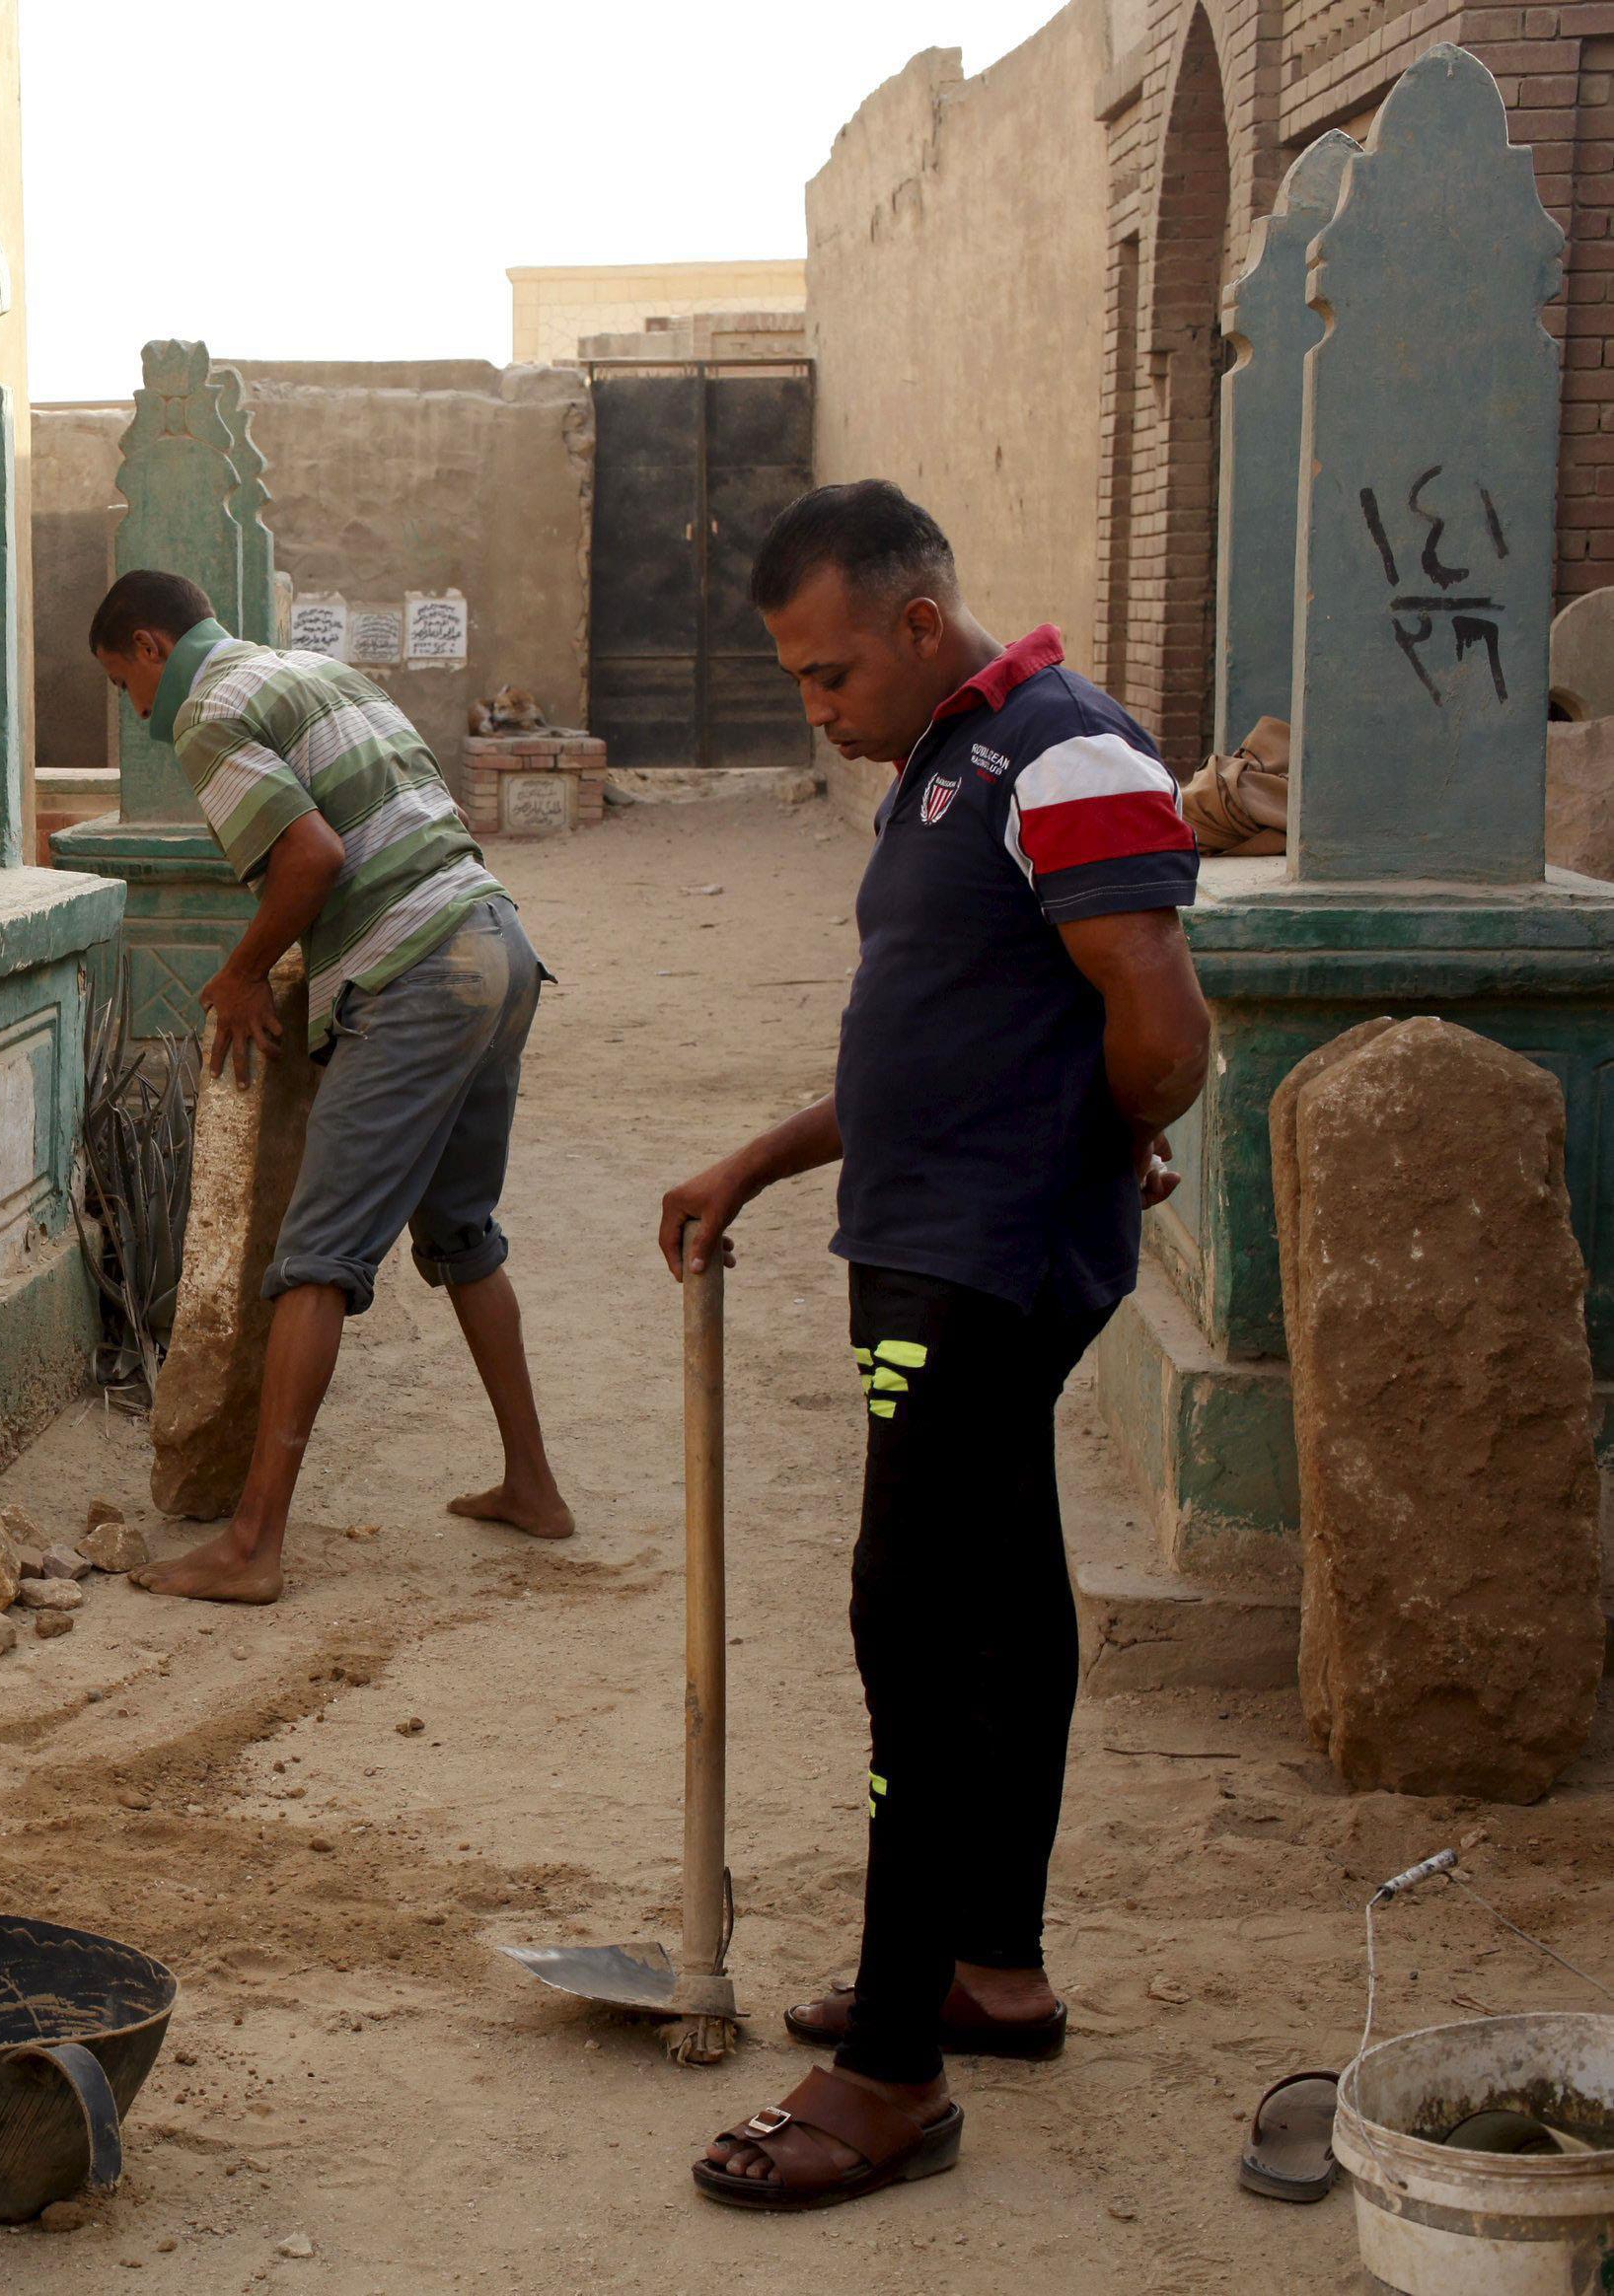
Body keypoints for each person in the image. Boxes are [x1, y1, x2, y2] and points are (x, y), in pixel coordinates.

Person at [658, 482, 1210, 2210]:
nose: (814, 711)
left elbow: (1164, 1023)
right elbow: (952, 1033)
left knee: (911, 1618)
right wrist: (761, 1152)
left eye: (828, 676)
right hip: (929, 1238)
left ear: (917, 623)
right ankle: (992, 1964)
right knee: (1005, 1583)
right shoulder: (950, 764)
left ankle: (894, 2062)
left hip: (981, 1263)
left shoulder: (1064, 748)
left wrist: (1103, 1144)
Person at [89, 568, 572, 1605]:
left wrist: (240, 972)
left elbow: (310, 855)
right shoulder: (313, 670)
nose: (135, 713)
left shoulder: (208, 713)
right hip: (498, 943)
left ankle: (252, 1544)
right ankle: (532, 1484)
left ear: (145, 647)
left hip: (420, 973)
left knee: (314, 1257)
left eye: (123, 684)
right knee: (461, 1235)